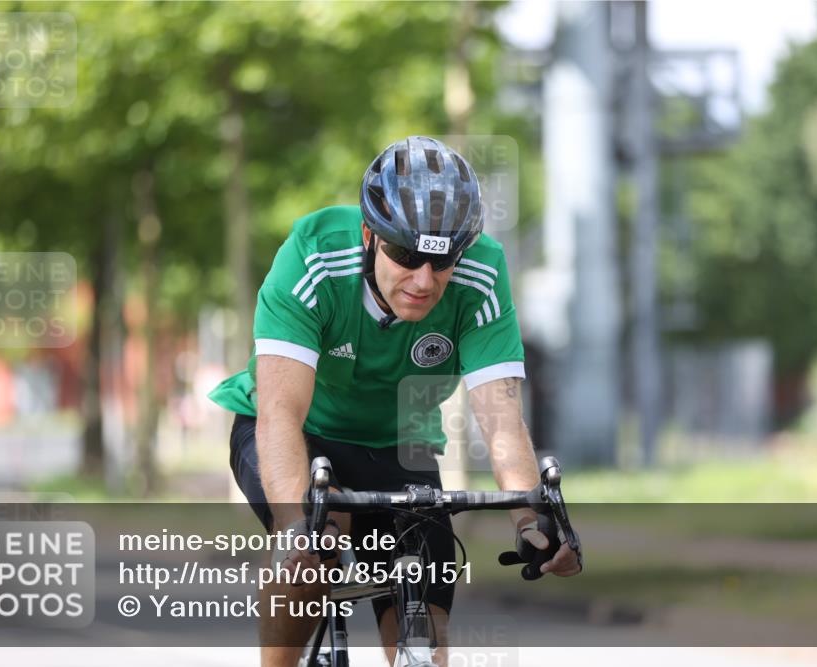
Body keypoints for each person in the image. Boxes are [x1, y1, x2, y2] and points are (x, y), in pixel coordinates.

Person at [208, 136, 581, 667]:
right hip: (296, 430)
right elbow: (279, 414)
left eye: (441, 260)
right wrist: (299, 529)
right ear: (369, 235)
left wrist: (529, 518)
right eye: (405, 256)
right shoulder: (312, 256)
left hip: (397, 443)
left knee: (426, 604)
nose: (423, 281)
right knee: (315, 546)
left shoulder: (482, 273)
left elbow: (501, 422)